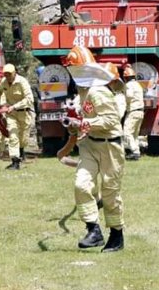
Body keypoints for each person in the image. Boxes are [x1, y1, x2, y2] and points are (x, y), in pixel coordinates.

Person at [62, 46, 126, 252]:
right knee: (82, 185)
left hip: (110, 146)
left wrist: (83, 124)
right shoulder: (84, 89)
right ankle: (93, 230)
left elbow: (110, 120)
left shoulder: (98, 91)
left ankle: (116, 236)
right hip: (90, 144)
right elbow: (87, 118)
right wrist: (75, 124)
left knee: (109, 193)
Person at [0, 63, 34, 170]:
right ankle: (15, 162)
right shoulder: (3, 82)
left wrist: (15, 106)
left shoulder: (22, 82)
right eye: (5, 74)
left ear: (14, 73)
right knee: (13, 136)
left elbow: (30, 99)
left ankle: (21, 153)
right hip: (11, 114)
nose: (7, 76)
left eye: (9, 74)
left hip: (24, 113)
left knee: (23, 139)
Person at [122, 66, 145, 160]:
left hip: (133, 111)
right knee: (134, 134)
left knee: (126, 132)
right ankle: (137, 152)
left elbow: (129, 96)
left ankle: (135, 151)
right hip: (140, 111)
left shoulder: (128, 85)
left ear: (126, 77)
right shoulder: (138, 84)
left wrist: (123, 101)